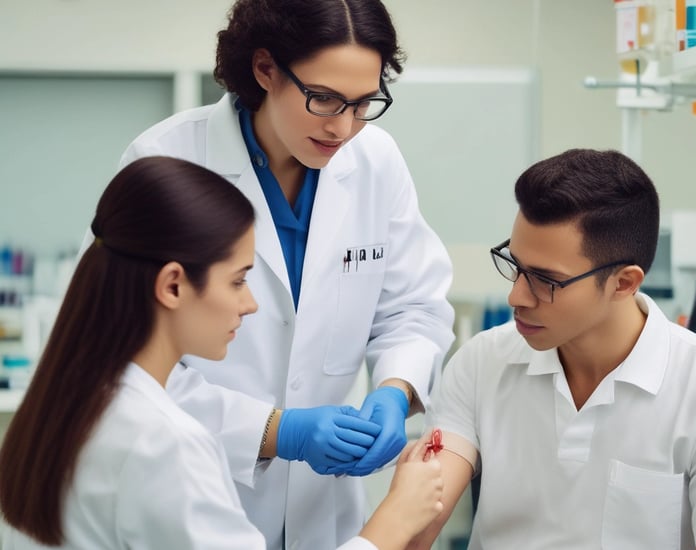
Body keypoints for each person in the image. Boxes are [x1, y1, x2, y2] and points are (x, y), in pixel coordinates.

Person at [110, 1, 455, 548]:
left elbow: (413, 306)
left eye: (364, 103)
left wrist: (394, 389)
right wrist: (274, 431)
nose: (343, 127)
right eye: (323, 99)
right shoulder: (167, 160)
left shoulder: (376, 161)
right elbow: (117, 360)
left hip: (326, 507)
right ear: (265, 69)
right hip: (198, 485)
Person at [0, 156, 445, 550]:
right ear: (173, 284)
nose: (249, 304)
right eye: (237, 280)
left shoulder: (59, 409)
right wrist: (395, 521)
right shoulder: (165, 443)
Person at [407, 149, 696, 549]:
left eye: (546, 280)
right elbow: (419, 522)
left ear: (624, 283)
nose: (516, 296)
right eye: (515, 265)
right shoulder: (481, 362)